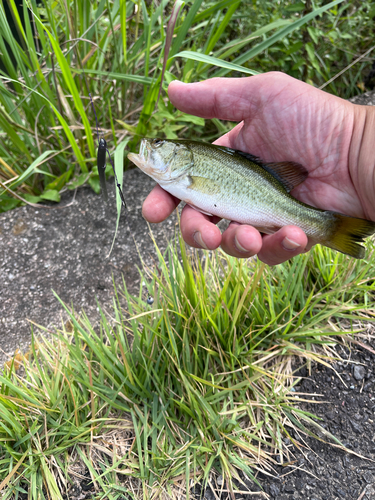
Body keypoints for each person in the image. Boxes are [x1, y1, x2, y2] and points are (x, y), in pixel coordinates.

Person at [142, 72, 375, 266]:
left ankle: (328, 227)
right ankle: (326, 227)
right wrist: (357, 140)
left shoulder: (185, 176)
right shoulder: (180, 178)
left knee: (251, 238)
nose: (151, 146)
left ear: (183, 158)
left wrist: (357, 142)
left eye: (159, 144)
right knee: (252, 239)